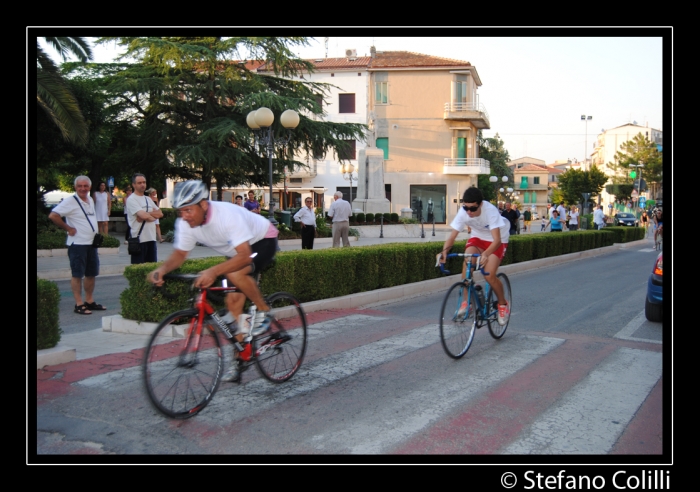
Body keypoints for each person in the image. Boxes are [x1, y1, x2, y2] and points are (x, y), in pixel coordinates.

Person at [147, 181, 279, 383]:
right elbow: (181, 253)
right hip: (236, 250)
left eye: (188, 210)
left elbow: (244, 257)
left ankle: (264, 310)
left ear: (204, 205)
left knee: (235, 275)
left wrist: (213, 271)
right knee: (233, 305)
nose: (184, 216)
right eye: (180, 211)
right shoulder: (185, 223)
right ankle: (241, 357)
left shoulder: (226, 216)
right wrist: (163, 269)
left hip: (261, 240)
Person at [440, 187, 511, 326]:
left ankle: (502, 304)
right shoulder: (464, 213)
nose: (469, 212)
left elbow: (496, 241)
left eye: (473, 209)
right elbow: (452, 237)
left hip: (497, 240)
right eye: (466, 208)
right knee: (467, 265)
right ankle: (467, 304)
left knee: (489, 275)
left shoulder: (490, 211)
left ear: (480, 204)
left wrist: (486, 254)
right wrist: (444, 251)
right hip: (478, 238)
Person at [48, 175, 107, 315]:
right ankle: (79, 304)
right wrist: (68, 228)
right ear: (75, 187)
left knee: (91, 273)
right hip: (77, 244)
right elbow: (53, 215)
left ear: (90, 187)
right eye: (80, 186)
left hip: (91, 244)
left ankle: (90, 301)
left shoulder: (91, 200)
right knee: (77, 274)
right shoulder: (70, 201)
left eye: (85, 186)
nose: (83, 188)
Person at [126, 173, 163, 264]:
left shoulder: (148, 199)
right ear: (134, 185)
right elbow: (144, 216)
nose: (142, 184)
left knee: (151, 268)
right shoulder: (131, 199)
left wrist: (147, 215)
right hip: (139, 239)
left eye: (144, 182)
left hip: (151, 238)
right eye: (139, 183)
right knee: (138, 270)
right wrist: (149, 216)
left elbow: (160, 213)